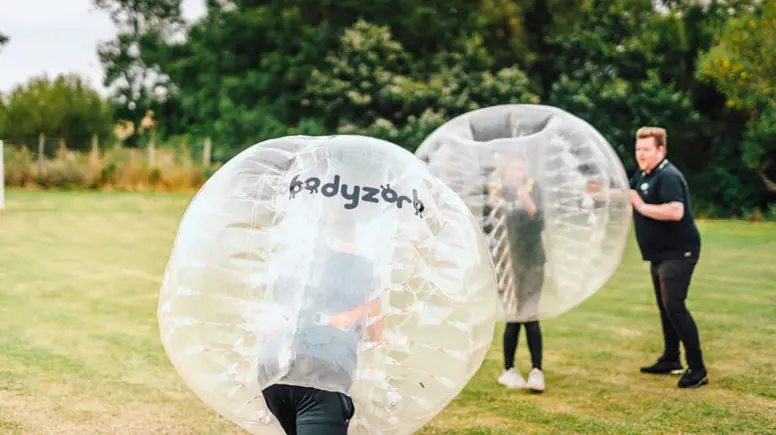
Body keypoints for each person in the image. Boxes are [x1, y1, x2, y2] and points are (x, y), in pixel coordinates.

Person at [259, 171, 385, 435]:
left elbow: (274, 309)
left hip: (273, 370)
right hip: (324, 377)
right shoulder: (363, 268)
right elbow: (375, 332)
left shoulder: (298, 261)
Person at [629, 126, 708, 389]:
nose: (640, 154)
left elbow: (675, 211)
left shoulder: (669, 177)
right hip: (659, 254)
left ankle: (697, 369)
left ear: (661, 150)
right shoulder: (642, 174)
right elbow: (624, 194)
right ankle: (670, 358)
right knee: (665, 307)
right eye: (638, 149)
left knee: (674, 305)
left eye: (646, 149)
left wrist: (641, 206)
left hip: (679, 252)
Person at [488, 156, 546, 393]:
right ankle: (509, 369)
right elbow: (487, 227)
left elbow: (540, 223)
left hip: (532, 261)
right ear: (504, 171)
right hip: (507, 263)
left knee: (530, 315)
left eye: (521, 167)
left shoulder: (534, 189)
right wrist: (492, 205)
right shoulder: (496, 193)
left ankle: (536, 371)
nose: (518, 172)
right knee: (512, 316)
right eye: (513, 167)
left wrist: (527, 201)